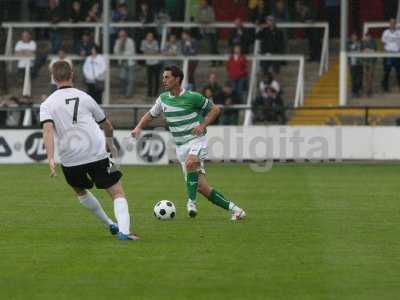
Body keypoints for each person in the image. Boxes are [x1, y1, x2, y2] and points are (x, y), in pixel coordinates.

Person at [40, 61, 139, 241]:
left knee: (80, 191)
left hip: (70, 158)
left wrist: (50, 158)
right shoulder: (85, 97)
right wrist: (110, 144)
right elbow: (107, 125)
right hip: (96, 151)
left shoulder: (47, 104)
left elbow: (47, 130)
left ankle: (109, 223)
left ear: (53, 78)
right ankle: (124, 232)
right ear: (72, 75)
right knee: (116, 192)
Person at [131, 65, 246, 220]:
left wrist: (202, 125)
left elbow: (215, 110)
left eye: (167, 77)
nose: (164, 80)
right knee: (202, 187)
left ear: (177, 79)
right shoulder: (163, 99)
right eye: (163, 77)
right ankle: (237, 211)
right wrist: (138, 128)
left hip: (197, 140)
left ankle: (191, 202)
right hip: (181, 147)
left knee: (191, 162)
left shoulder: (193, 97)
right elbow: (150, 115)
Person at [113, 29, 135, 97]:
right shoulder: (117, 41)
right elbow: (115, 52)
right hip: (122, 62)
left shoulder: (130, 41)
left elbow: (131, 51)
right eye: (120, 35)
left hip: (130, 62)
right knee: (122, 78)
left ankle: (128, 94)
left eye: (123, 35)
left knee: (130, 79)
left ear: (126, 35)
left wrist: (122, 53)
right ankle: (123, 92)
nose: (122, 36)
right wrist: (120, 44)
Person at [381, 18, 400, 92]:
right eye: (391, 23)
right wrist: (383, 53)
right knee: (387, 71)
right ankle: (385, 87)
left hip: (397, 54)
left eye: (394, 23)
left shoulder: (399, 32)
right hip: (388, 54)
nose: (392, 24)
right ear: (389, 24)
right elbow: (383, 43)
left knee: (398, 72)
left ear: (395, 24)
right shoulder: (385, 32)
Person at [362, 31, 377, 97]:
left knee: (370, 76)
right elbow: (362, 51)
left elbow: (374, 50)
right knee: (366, 76)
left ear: (370, 36)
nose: (367, 37)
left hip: (372, 61)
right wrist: (368, 50)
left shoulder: (373, 42)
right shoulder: (363, 42)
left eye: (369, 36)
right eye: (366, 36)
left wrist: (367, 50)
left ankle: (370, 90)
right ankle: (366, 90)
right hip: (365, 61)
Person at [348, 33, 363, 97]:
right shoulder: (349, 44)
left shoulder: (360, 43)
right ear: (351, 37)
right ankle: (354, 92)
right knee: (354, 78)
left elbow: (362, 51)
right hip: (352, 63)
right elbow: (347, 52)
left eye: (355, 36)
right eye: (353, 36)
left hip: (360, 62)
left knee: (359, 78)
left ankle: (358, 90)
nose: (354, 37)